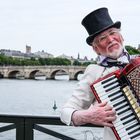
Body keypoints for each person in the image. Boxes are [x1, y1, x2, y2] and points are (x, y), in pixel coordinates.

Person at [60, 7, 131, 140]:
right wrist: (87, 116)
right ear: (96, 49)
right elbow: (65, 112)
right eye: (103, 38)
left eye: (112, 33)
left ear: (121, 36)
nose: (110, 39)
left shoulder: (136, 62)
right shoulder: (94, 72)